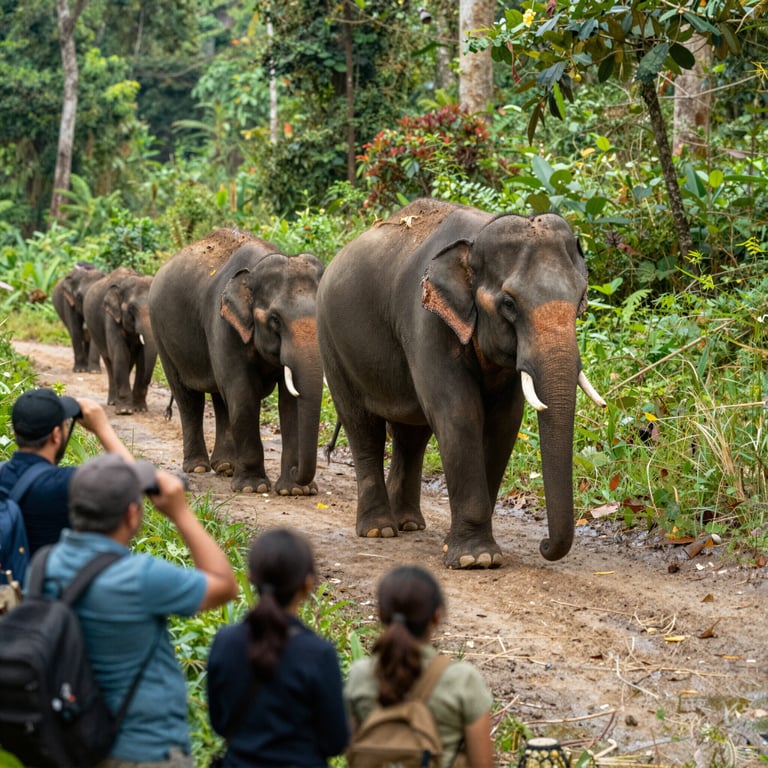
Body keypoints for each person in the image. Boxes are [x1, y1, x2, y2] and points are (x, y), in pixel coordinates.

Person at [39, 452, 238, 767]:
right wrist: (181, 513)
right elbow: (225, 585)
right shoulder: (139, 576)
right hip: (143, 750)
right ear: (132, 515)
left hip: (70, 742)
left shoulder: (44, 564)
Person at [207, 528, 349, 767]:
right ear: (308, 584)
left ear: (250, 578)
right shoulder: (318, 653)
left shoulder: (225, 641)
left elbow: (220, 723)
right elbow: (335, 741)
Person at [345, 565, 495, 768]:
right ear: (437, 616)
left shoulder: (360, 674)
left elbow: (348, 750)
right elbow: (482, 765)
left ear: (380, 615)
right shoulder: (463, 680)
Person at [0, 387, 135, 556]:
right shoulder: (67, 484)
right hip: (45, 581)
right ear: (56, 435)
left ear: (16, 433)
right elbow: (133, 478)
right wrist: (102, 427)